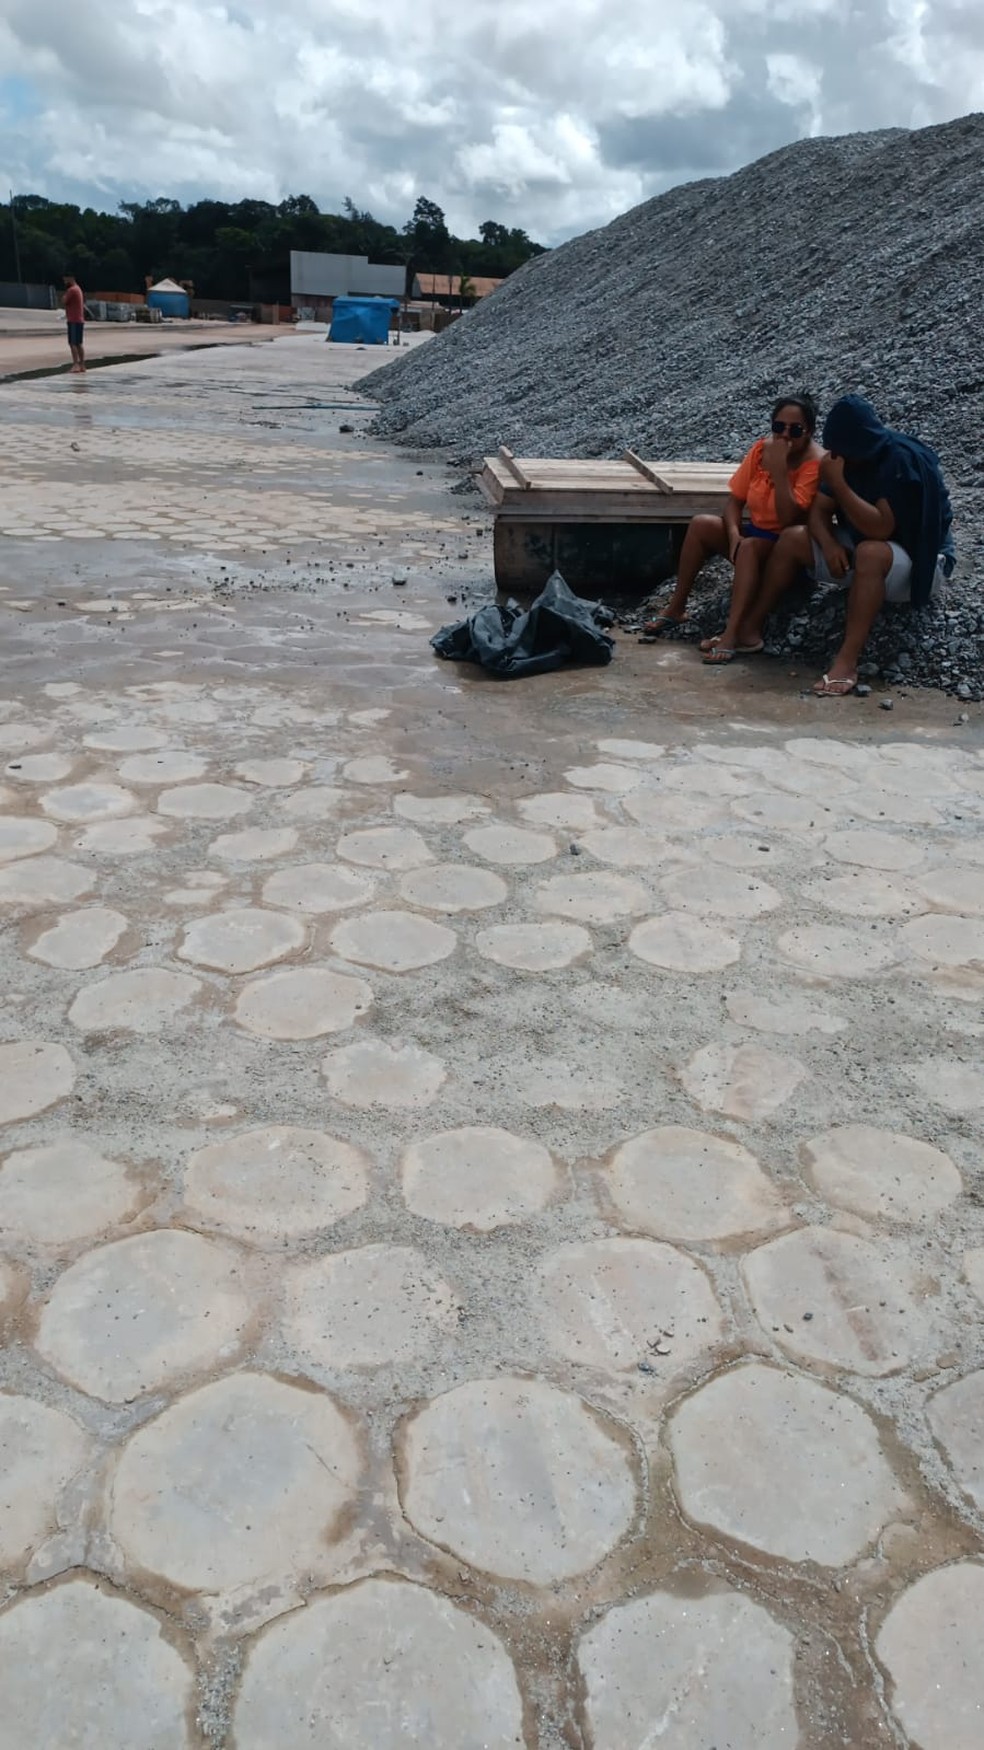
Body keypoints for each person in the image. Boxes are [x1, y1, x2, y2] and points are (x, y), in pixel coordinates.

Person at [725, 394, 955, 696]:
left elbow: (881, 527)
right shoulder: (841, 459)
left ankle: (846, 662)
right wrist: (829, 544)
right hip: (865, 552)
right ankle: (749, 627)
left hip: (920, 561)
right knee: (794, 536)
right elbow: (819, 513)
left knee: (869, 551)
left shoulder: (897, 460)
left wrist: (840, 485)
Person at [643, 395, 823, 658]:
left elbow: (789, 519)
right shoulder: (761, 449)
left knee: (750, 547)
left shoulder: (815, 463)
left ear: (809, 432)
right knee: (701, 524)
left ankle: (733, 634)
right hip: (754, 537)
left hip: (786, 548)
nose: (785, 436)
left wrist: (780, 471)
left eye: (795, 430)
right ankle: (676, 608)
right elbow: (734, 502)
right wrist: (734, 534)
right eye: (778, 427)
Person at [63, 275, 85, 373]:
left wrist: (65, 294)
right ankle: (82, 365)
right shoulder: (78, 289)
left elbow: (64, 301)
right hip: (79, 320)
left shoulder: (71, 290)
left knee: (73, 343)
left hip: (73, 320)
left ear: (70, 278)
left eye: (65, 279)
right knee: (79, 343)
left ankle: (75, 365)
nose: (64, 282)